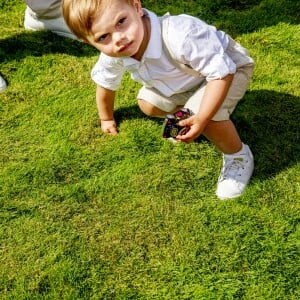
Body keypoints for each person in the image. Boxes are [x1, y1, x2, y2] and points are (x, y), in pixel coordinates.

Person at [62, 0, 255, 200]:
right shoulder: (114, 53)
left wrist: (203, 117)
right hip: (188, 81)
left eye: (121, 22)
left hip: (229, 70)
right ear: (89, 42)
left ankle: (238, 155)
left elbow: (220, 73)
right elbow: (106, 84)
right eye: (103, 37)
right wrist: (106, 118)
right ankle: (189, 113)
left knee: (208, 119)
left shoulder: (180, 34)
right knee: (147, 103)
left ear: (136, 7)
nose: (119, 38)